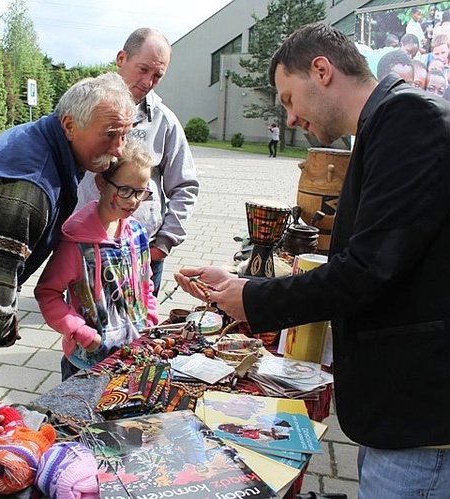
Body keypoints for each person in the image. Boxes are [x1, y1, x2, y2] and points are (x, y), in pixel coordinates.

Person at [175, 23, 450, 497]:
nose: (291, 116)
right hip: (402, 412)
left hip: (419, 415)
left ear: (321, 71)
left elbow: (368, 268)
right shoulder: (386, 121)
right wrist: (242, 284)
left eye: (287, 98)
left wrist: (255, 298)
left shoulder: (407, 116)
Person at [0, 72, 135, 387]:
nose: (119, 149)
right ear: (69, 125)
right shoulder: (28, 187)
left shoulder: (42, 139)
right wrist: (3, 329)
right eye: (109, 135)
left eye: (124, 135)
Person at [75, 28, 199, 297]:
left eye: (157, 75)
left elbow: (186, 186)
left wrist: (163, 244)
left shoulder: (164, 122)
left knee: (140, 333)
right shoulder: (82, 109)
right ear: (121, 58)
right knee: (85, 329)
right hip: (84, 246)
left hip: (143, 251)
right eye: (142, 69)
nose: (148, 81)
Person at [35, 138, 159, 380]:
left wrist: (151, 318)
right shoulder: (76, 241)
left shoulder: (137, 233)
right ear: (101, 183)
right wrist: (82, 333)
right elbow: (48, 293)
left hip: (131, 355)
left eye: (141, 192)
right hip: (87, 362)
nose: (133, 200)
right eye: (125, 190)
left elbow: (146, 283)